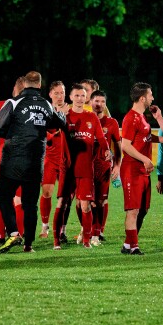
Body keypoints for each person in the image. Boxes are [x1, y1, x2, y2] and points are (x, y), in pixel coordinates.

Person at [0, 71, 67, 253]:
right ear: (40, 86)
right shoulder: (47, 105)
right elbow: (58, 123)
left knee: (3, 196)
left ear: (24, 85)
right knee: (30, 204)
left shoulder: (13, 102)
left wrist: (13, 132)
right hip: (35, 162)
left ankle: (14, 232)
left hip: (12, 161)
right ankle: (28, 245)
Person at [55, 84, 108, 249]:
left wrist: (107, 150)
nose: (79, 98)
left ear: (86, 98)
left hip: (85, 168)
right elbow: (49, 130)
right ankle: (56, 241)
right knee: (62, 203)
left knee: (85, 205)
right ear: (70, 97)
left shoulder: (91, 117)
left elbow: (102, 138)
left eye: (82, 96)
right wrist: (58, 116)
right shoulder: (64, 115)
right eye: (76, 95)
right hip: (67, 167)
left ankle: (86, 240)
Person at [120, 82, 163, 255]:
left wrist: (161, 140)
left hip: (143, 170)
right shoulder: (130, 118)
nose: (153, 98)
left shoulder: (142, 117)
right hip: (132, 169)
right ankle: (134, 247)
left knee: (143, 209)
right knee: (133, 210)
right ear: (142, 98)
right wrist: (145, 159)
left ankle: (128, 244)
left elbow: (145, 137)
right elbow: (125, 145)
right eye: (150, 95)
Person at [0, 79, 26, 245]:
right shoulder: (34, 107)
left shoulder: (2, 105)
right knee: (19, 199)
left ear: (14, 90)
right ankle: (21, 235)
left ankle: (1, 236)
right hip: (27, 158)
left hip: (6, 156)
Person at [90, 90, 122, 245]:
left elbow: (118, 147)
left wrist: (117, 166)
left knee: (101, 201)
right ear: (90, 102)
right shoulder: (85, 120)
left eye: (102, 101)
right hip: (85, 168)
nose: (99, 104)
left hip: (103, 168)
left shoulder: (112, 123)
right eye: (96, 101)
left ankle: (97, 233)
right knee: (86, 202)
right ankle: (87, 230)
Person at [40, 81, 68, 238]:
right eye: (56, 93)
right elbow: (40, 131)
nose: (59, 96)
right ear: (50, 94)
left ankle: (62, 229)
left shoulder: (70, 110)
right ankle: (45, 226)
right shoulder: (46, 111)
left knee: (65, 196)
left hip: (66, 159)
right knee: (47, 192)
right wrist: (54, 133)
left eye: (62, 93)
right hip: (50, 158)